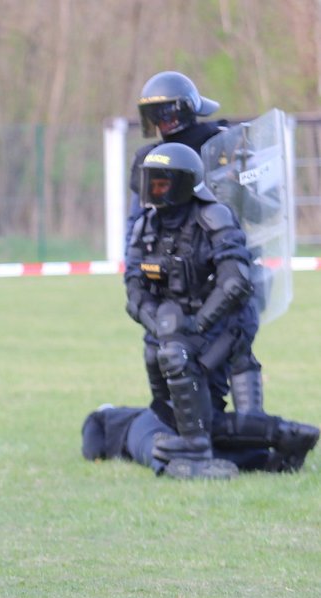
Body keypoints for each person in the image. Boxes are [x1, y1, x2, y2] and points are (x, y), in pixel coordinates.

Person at [129, 71, 264, 415]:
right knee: (164, 349)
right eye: (154, 115)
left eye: (167, 113)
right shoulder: (151, 161)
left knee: (235, 341)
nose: (162, 123)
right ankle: (173, 421)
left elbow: (264, 207)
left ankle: (251, 425)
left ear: (186, 109)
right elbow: (139, 223)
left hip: (224, 262)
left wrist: (237, 186)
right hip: (178, 272)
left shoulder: (228, 144)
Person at [125, 141, 258, 471]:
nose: (154, 192)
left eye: (162, 184)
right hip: (177, 328)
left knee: (176, 353)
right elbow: (134, 289)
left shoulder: (214, 216)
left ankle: (247, 439)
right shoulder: (147, 225)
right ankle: (180, 431)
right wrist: (160, 325)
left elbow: (234, 282)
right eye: (150, 183)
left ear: (183, 184)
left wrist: (196, 326)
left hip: (220, 328)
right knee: (160, 348)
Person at [81, 402, 319, 479]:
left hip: (141, 425)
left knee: (153, 446)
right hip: (168, 417)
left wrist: (98, 455)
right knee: (205, 446)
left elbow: (92, 449)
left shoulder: (103, 417)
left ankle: (171, 464)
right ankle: (267, 460)